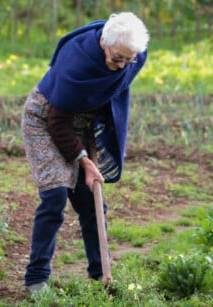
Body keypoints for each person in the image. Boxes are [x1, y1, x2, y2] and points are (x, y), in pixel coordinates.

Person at [21, 11, 149, 294]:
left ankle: (100, 276)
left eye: (130, 60)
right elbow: (58, 122)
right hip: (46, 121)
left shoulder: (133, 54)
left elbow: (115, 87)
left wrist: (90, 156)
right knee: (55, 195)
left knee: (91, 200)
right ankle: (36, 279)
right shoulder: (76, 65)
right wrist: (84, 160)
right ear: (104, 43)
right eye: (117, 58)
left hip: (83, 124)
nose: (122, 67)